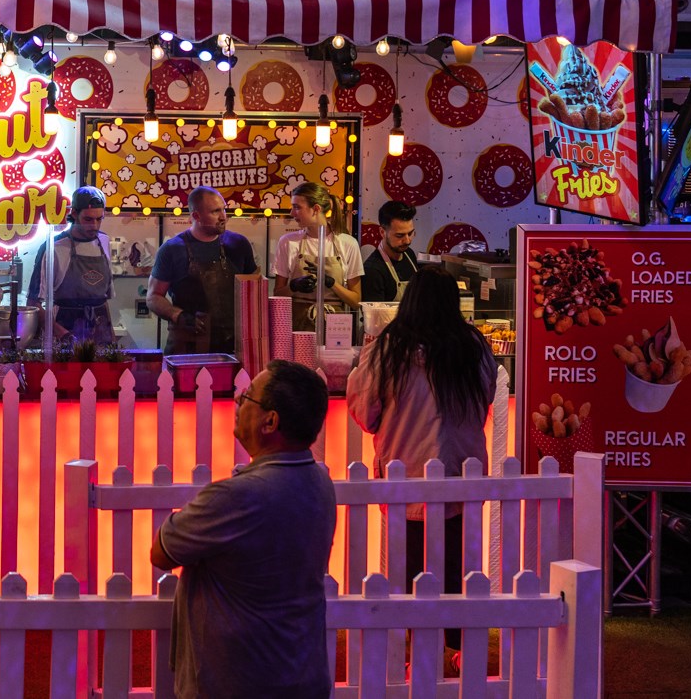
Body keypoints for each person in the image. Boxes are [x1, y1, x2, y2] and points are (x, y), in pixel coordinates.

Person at [151, 360, 334, 699]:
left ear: (270, 421)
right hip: (302, 673)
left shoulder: (237, 496)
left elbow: (162, 552)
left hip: (239, 682)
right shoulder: (320, 482)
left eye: (247, 397)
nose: (237, 401)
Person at [346, 267, 496, 650]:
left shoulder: (386, 349)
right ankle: (459, 651)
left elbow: (365, 412)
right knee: (460, 570)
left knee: (408, 572)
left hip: (405, 477)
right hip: (461, 476)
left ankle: (414, 651)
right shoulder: (474, 347)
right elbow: (486, 399)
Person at [149, 187, 258, 354]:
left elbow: (254, 291)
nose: (223, 217)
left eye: (223, 209)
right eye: (215, 211)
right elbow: (153, 297)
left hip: (232, 347)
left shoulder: (239, 245)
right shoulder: (172, 250)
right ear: (196, 216)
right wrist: (178, 315)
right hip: (188, 348)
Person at [26, 186, 116, 350]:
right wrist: (64, 335)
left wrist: (111, 337)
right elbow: (33, 305)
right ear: (74, 213)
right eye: (88, 219)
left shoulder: (104, 241)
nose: (95, 226)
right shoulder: (53, 247)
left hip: (101, 330)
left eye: (99, 219)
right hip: (65, 330)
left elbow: (104, 300)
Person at [271, 182, 362, 329]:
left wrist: (331, 283)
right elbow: (277, 295)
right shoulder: (287, 242)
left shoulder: (348, 244)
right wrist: (294, 286)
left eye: (297, 207)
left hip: (336, 330)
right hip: (298, 329)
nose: (292, 213)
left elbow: (356, 302)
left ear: (316, 209)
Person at [360, 199, 419, 304]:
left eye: (410, 233)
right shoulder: (372, 270)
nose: (407, 241)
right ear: (382, 232)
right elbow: (375, 314)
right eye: (400, 235)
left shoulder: (409, 254)